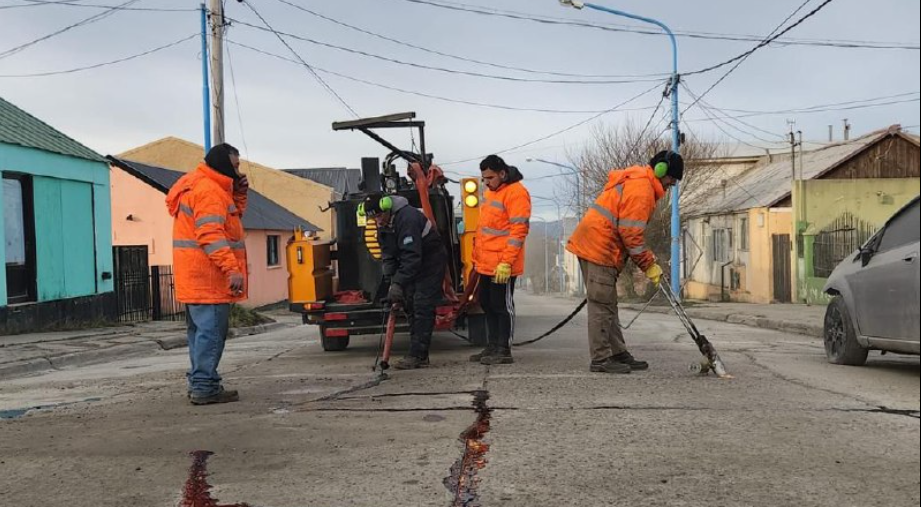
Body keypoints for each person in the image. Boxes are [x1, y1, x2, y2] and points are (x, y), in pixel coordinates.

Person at [566, 150, 683, 374]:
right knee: (601, 305)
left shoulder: (640, 182)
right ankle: (601, 358)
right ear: (661, 170)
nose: (671, 184)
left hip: (598, 246)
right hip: (599, 248)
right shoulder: (642, 189)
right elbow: (631, 235)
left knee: (608, 303)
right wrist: (649, 265)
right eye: (672, 179)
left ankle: (617, 352)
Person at [166, 143, 249, 404]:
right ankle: (204, 387)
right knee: (211, 335)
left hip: (195, 277)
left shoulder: (199, 185)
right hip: (209, 278)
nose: (238, 171)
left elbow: (230, 221)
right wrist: (232, 269)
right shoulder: (209, 192)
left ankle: (201, 383)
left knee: (200, 334)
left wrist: (239, 194)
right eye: (235, 166)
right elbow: (211, 234)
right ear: (224, 165)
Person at [361, 193, 446, 370]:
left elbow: (412, 256)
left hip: (430, 262)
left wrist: (399, 283)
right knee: (410, 305)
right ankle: (416, 352)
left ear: (387, 207)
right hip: (410, 264)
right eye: (373, 218)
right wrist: (391, 280)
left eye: (379, 216)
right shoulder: (382, 225)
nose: (377, 221)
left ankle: (418, 355)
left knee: (422, 305)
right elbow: (388, 254)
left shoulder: (408, 219)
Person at [470, 155, 531, 366]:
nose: (486, 182)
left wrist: (506, 262)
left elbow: (518, 230)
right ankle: (493, 345)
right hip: (486, 263)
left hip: (502, 264)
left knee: (501, 305)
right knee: (486, 302)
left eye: (490, 178)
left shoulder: (516, 193)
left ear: (502, 174)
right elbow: (485, 229)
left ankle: (503, 349)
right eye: (484, 178)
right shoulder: (491, 192)